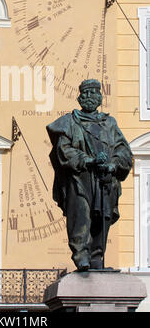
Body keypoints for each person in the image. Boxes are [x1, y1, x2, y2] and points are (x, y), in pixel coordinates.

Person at [46, 79, 133, 271]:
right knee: (81, 216)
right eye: (85, 93)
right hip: (80, 178)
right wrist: (88, 160)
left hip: (105, 180)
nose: (89, 97)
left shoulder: (109, 123)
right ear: (78, 97)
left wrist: (113, 164)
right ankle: (81, 255)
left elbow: (124, 151)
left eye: (94, 93)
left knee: (103, 217)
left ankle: (96, 256)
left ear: (100, 97)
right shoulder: (69, 122)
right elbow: (64, 151)